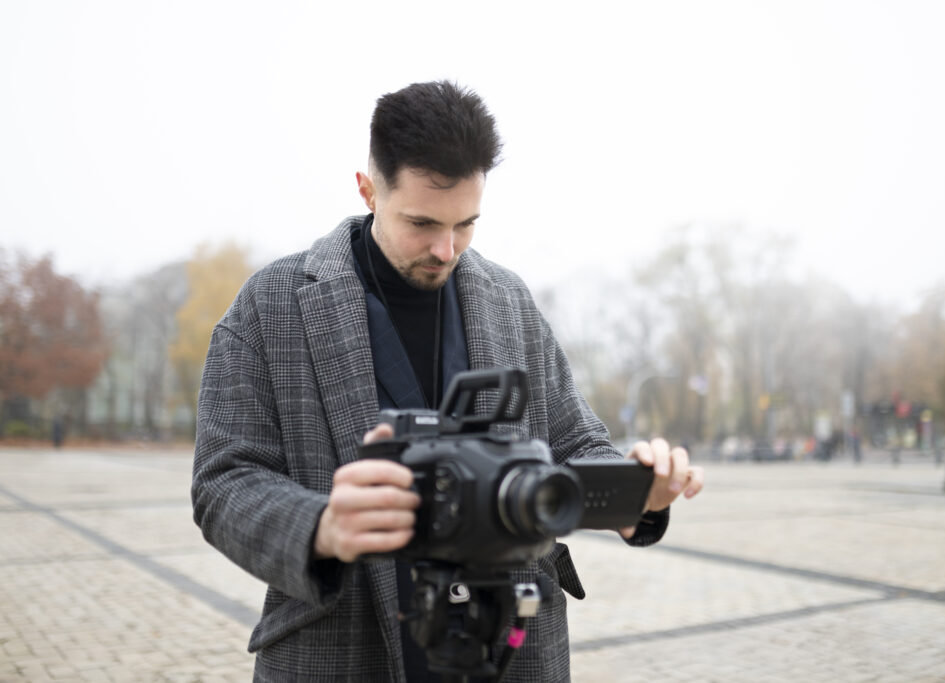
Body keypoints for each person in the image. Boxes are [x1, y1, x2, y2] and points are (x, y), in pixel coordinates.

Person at [192, 80, 704, 682]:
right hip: (342, 649)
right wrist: (322, 526)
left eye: (467, 223)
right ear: (367, 189)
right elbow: (223, 482)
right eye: (421, 222)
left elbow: (574, 443)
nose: (446, 247)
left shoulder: (508, 298)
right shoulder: (269, 304)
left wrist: (632, 493)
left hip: (511, 646)